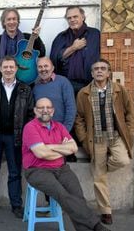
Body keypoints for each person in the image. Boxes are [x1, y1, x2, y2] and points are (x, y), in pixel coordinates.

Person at [22, 97, 111, 231]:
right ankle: (96, 226)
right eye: (41, 108)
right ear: (35, 111)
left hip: (61, 168)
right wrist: (62, 149)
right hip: (37, 170)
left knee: (77, 195)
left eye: (48, 107)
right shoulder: (30, 127)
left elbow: (73, 148)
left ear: (52, 111)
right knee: (62, 194)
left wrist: (49, 147)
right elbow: (41, 154)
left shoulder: (60, 127)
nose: (45, 110)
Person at [75, 59, 134, 225]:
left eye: (103, 69)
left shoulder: (120, 90)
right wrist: (83, 138)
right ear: (92, 73)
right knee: (99, 177)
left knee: (122, 160)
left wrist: (130, 132)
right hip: (96, 138)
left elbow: (131, 113)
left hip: (116, 135)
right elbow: (79, 118)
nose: (99, 71)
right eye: (96, 69)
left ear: (108, 73)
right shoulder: (84, 93)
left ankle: (100, 168)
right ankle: (105, 211)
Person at [0, 56, 34, 218]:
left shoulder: (25, 89)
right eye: (5, 67)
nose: (8, 70)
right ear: (1, 69)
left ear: (16, 69)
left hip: (15, 137)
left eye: (11, 67)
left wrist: (25, 133)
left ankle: (16, 204)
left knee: (15, 172)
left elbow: (31, 114)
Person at [50, 6, 100, 96]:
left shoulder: (95, 34)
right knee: (70, 109)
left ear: (83, 17)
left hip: (90, 84)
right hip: (66, 84)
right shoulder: (61, 37)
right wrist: (73, 47)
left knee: (88, 110)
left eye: (75, 16)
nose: (72, 20)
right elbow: (54, 58)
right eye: (69, 18)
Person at [0, 8, 45, 82]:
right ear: (4, 22)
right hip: (3, 81)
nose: (12, 22)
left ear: (18, 21)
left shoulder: (28, 38)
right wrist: (1, 79)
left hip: (25, 80)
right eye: (8, 19)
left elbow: (42, 53)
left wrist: (37, 38)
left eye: (14, 19)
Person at [32, 57, 76, 132]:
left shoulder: (63, 82)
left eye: (46, 66)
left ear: (52, 68)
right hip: (42, 132)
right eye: (40, 67)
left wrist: (65, 131)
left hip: (61, 130)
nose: (43, 69)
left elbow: (71, 108)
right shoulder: (36, 87)